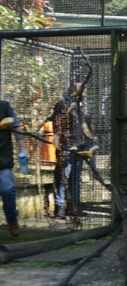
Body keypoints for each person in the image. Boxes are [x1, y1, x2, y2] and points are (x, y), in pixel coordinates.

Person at [45, 82, 92, 220]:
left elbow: (88, 125)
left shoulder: (84, 105)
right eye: (81, 89)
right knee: (62, 176)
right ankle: (60, 208)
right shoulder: (63, 104)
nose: (84, 91)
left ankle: (73, 207)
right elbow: (57, 124)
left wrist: (90, 142)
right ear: (74, 90)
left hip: (80, 145)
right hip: (66, 146)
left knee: (76, 178)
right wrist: (61, 143)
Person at [0, 98, 28, 237]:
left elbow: (16, 127)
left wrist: (22, 148)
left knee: (8, 188)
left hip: (2, 158)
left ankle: (12, 219)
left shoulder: (4, 107)